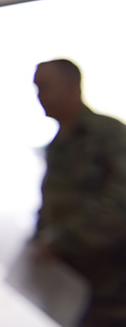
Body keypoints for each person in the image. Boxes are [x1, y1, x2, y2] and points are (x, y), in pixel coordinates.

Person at [32, 59, 126, 326]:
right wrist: (38, 240)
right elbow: (51, 203)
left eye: (44, 87)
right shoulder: (57, 146)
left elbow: (119, 205)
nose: (39, 96)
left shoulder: (109, 134)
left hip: (114, 291)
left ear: (72, 87)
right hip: (73, 293)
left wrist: (60, 241)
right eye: (36, 88)